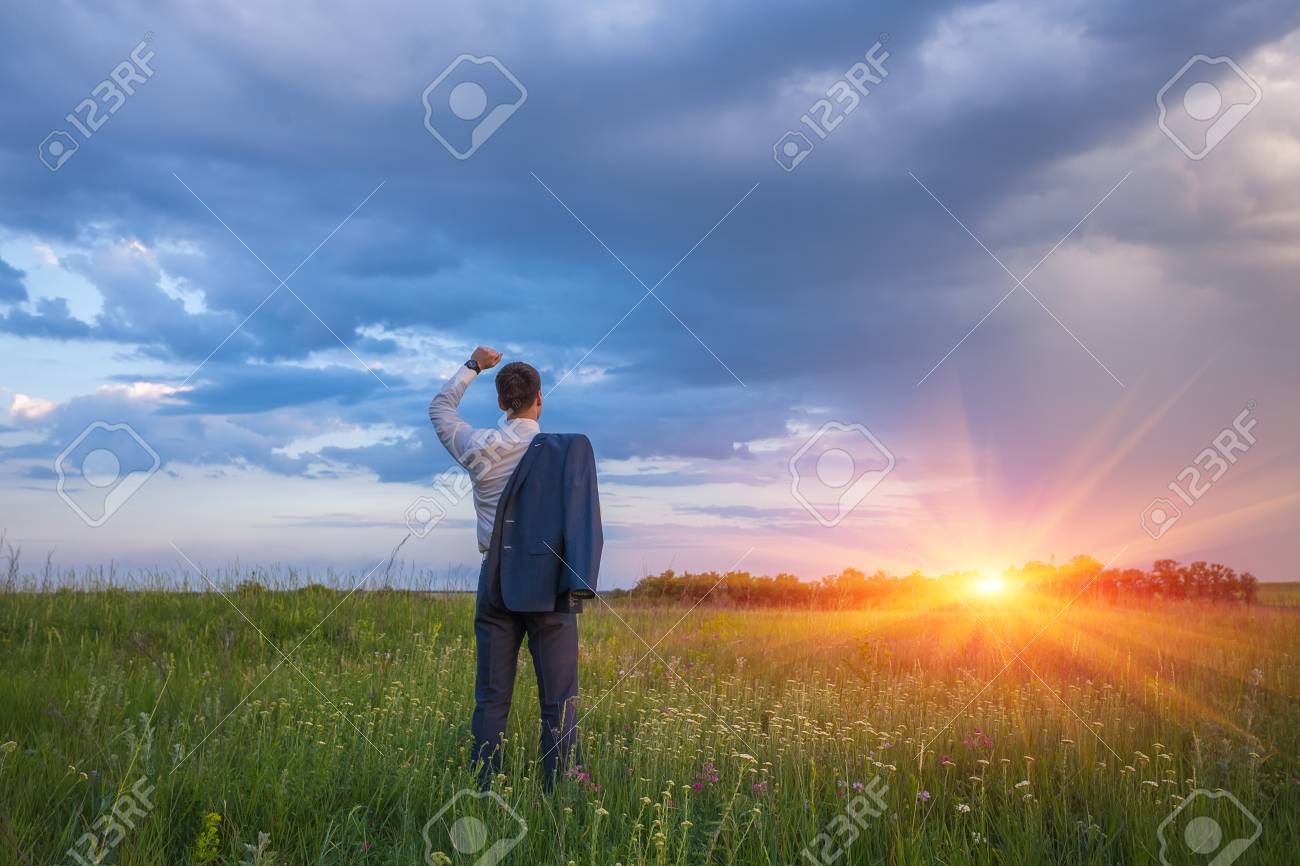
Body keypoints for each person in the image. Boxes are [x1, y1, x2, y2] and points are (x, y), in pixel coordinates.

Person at [428, 346, 602, 788]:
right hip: (550, 582)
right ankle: (559, 793)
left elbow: (440, 408)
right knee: (559, 701)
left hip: (496, 580)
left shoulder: (479, 446)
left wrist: (473, 366)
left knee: (491, 698)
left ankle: (484, 789)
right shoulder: (564, 452)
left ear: (502, 402)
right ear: (539, 399)